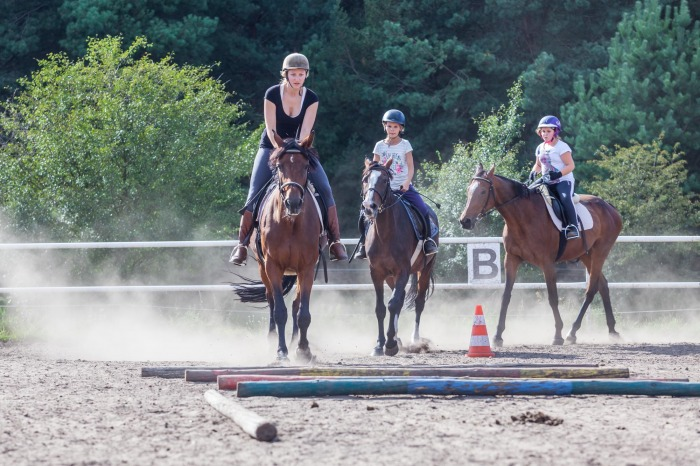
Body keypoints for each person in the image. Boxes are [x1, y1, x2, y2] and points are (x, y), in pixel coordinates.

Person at [229, 53, 348, 266]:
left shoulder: (311, 98)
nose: (297, 78)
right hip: (272, 147)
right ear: (285, 74)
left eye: (301, 74)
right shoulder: (272, 94)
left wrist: (298, 151)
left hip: (301, 149)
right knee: (254, 191)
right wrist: (282, 151)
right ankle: (242, 244)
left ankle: (335, 241)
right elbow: (271, 128)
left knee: (326, 189)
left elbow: (305, 132)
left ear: (306, 76)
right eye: (293, 74)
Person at [355, 109, 438, 259]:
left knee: (422, 208)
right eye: (389, 126)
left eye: (395, 126)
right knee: (363, 213)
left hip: (403, 187)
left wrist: (407, 182)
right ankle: (363, 244)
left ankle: (427, 241)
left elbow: (411, 167)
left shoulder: (405, 144)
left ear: (401, 128)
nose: (392, 129)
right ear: (384, 127)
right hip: (383, 191)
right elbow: (374, 168)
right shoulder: (379, 145)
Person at [527, 115, 580, 240]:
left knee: (565, 198)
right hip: (546, 181)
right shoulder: (540, 147)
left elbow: (571, 165)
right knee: (527, 193)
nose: (545, 134)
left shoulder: (562, 147)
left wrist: (559, 174)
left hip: (563, 181)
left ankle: (573, 226)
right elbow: (538, 164)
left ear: (555, 132)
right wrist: (533, 172)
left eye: (548, 131)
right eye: (543, 131)